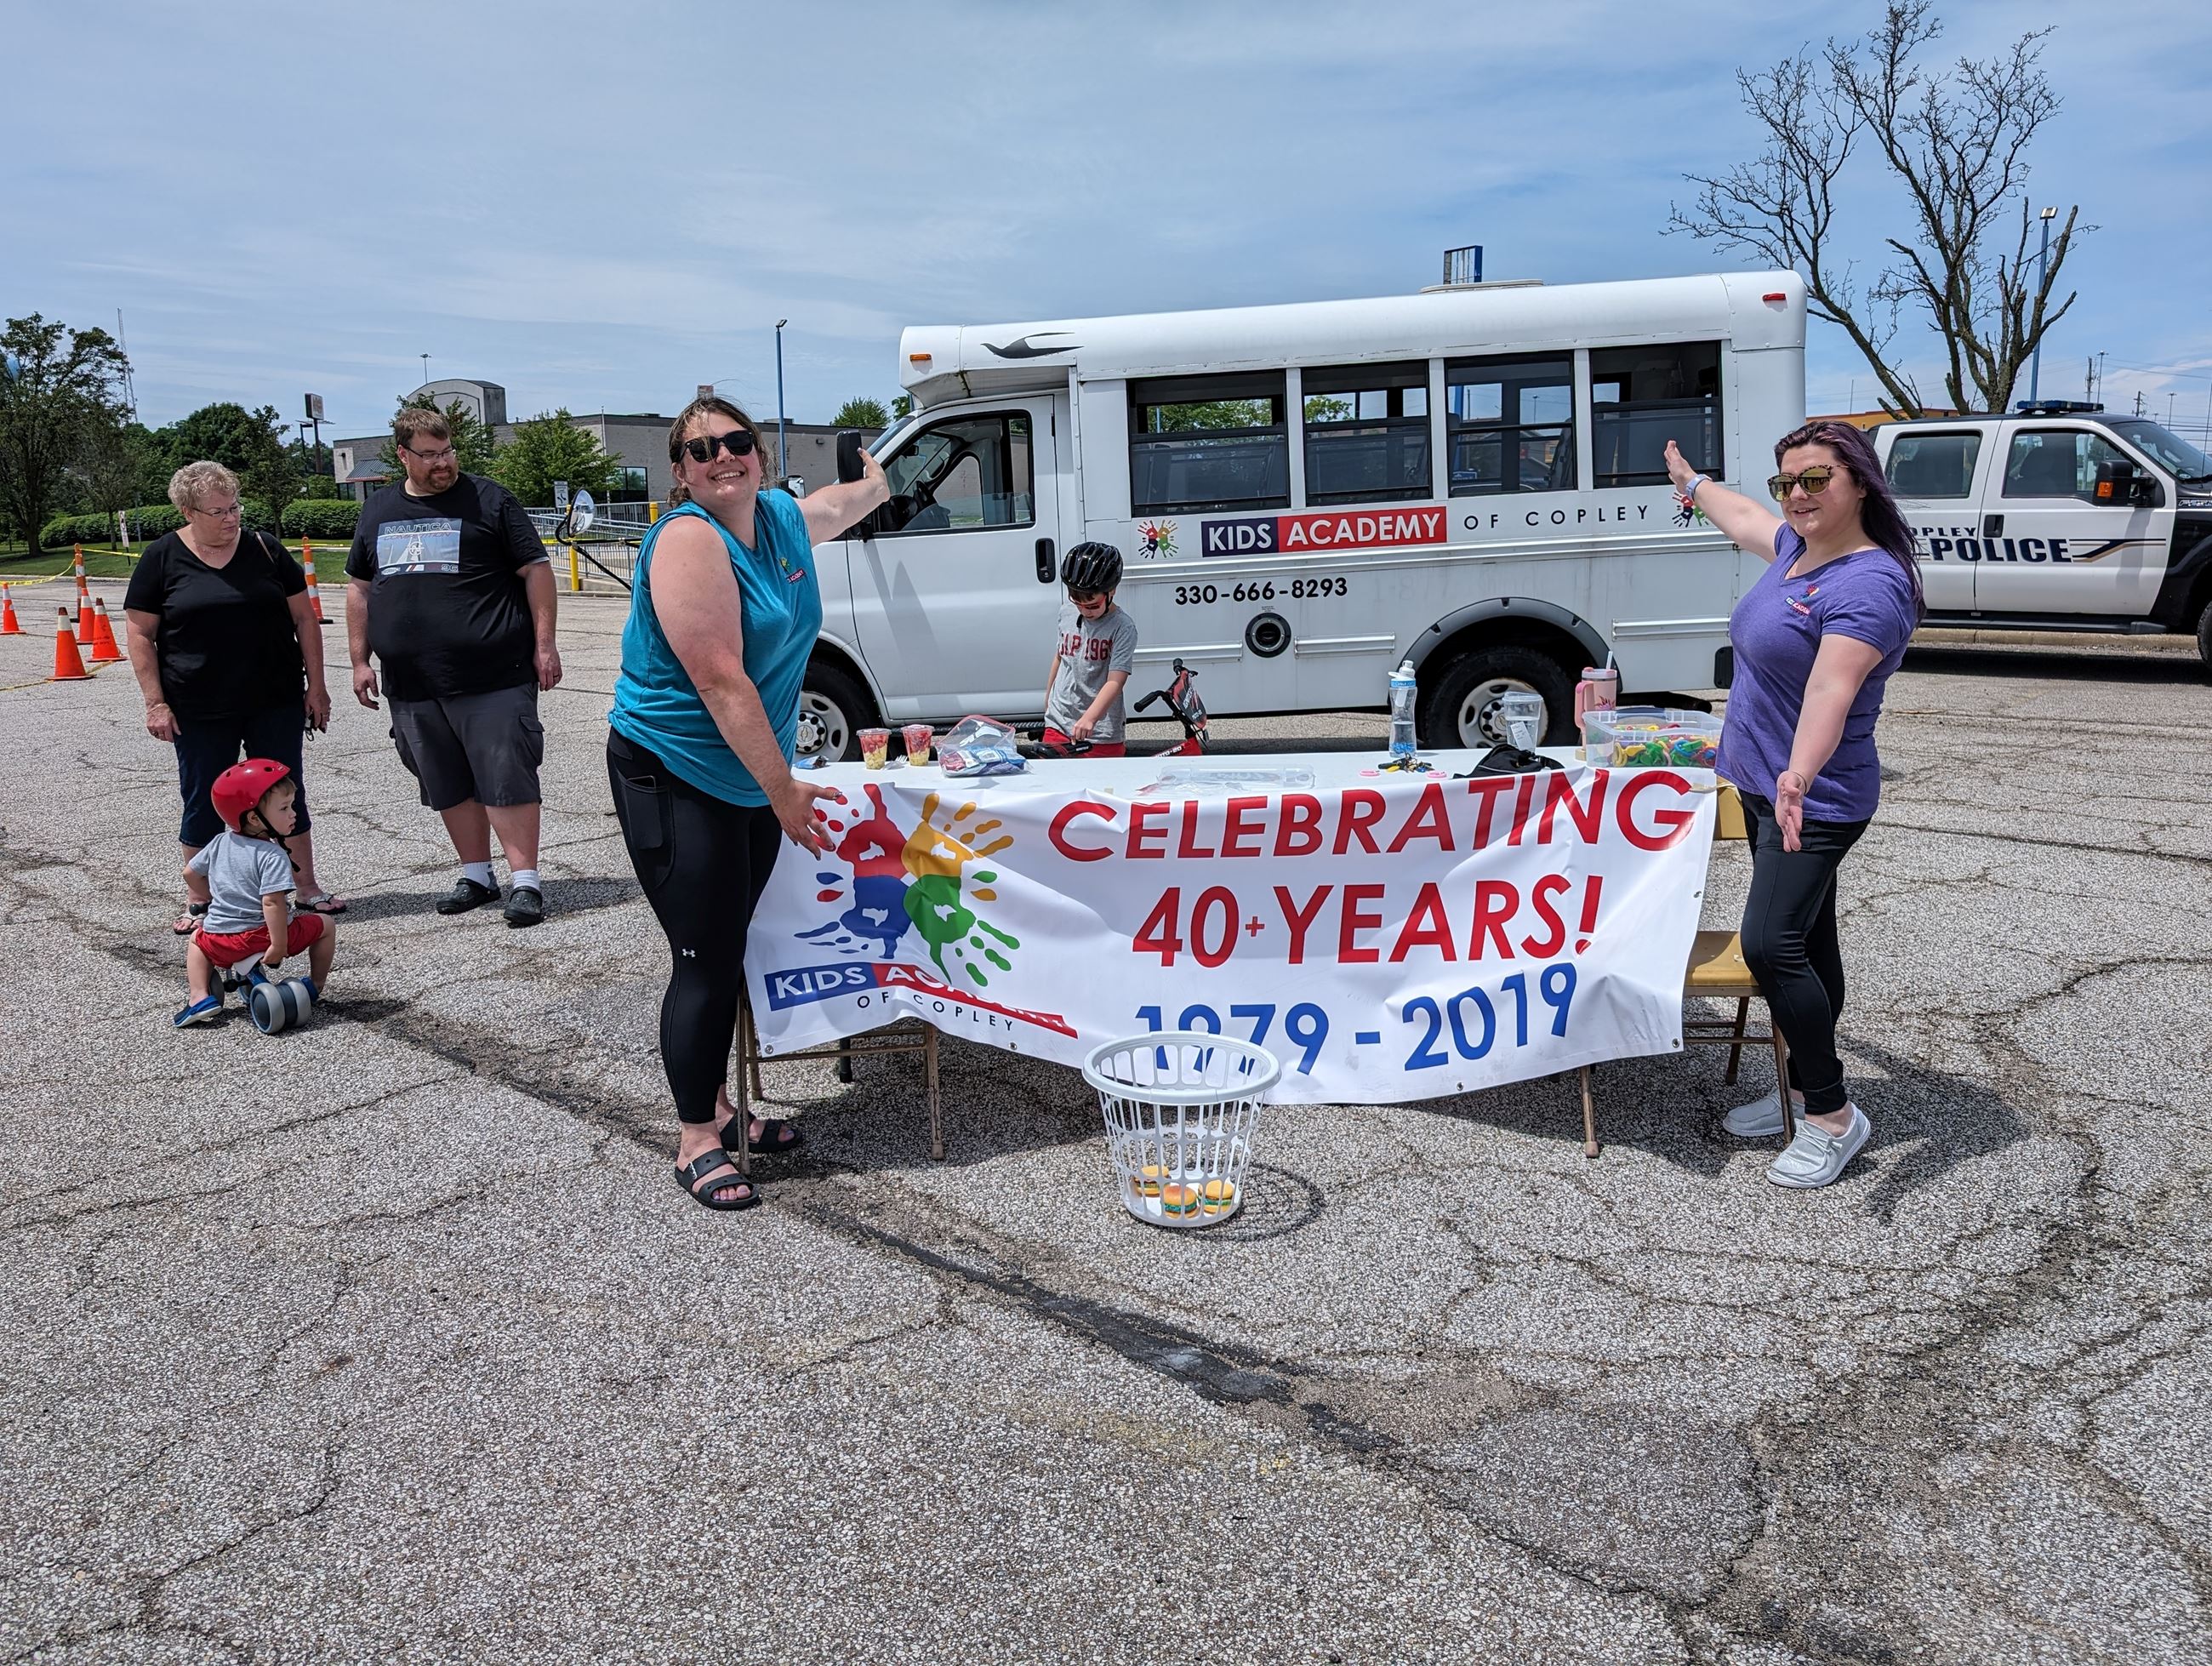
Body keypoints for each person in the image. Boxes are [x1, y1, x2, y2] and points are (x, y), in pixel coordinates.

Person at [607, 395, 889, 1210]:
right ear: (681, 472)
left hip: (744, 773)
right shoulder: (688, 542)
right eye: (702, 451)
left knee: (733, 944)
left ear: (759, 454)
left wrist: (873, 479)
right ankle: (697, 1135)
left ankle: (728, 1109)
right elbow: (720, 679)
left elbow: (834, 507)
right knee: (704, 957)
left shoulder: (776, 520)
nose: (721, 458)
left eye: (736, 443)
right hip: (674, 769)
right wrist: (784, 790)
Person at [1664, 422, 1922, 1190]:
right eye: (1789, 484)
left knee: (1773, 946)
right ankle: (1803, 1091)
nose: (1798, 496)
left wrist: (1797, 776)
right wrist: (1691, 482)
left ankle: (1834, 1116)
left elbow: (1829, 690)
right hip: (1768, 785)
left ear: (1861, 484)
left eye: (1816, 480)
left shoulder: (1870, 584)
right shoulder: (1798, 552)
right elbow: (1745, 518)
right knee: (1813, 944)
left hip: (1814, 799)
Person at [345, 407, 561, 927]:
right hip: (412, 682)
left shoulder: (490, 500)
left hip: (494, 671)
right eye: (430, 455)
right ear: (403, 454)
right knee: (445, 778)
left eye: (448, 451)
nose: (443, 463)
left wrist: (545, 644)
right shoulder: (378, 512)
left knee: (505, 773)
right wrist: (358, 659)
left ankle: (524, 880)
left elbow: (536, 571)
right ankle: (476, 875)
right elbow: (359, 587)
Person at [123, 460, 343, 934]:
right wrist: (154, 702)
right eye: (219, 510)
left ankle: (304, 887)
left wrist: (317, 687)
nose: (231, 518)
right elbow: (140, 634)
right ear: (187, 510)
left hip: (274, 698)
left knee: (284, 794)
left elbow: (306, 620)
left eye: (235, 506)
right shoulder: (162, 558)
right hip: (198, 706)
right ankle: (200, 897)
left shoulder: (266, 550)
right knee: (202, 797)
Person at [173, 761, 336, 1027]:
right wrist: (279, 945)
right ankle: (315, 985)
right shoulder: (272, 855)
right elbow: (272, 903)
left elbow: (190, 873)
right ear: (253, 818)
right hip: (262, 937)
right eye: (284, 808)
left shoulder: (219, 842)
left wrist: (212, 901)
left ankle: (199, 996)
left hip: (221, 940)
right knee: (326, 925)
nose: (293, 813)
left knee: (196, 941)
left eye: (292, 805)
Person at [1040, 542, 1138, 756]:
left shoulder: (1122, 626)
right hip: (1058, 722)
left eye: (1092, 605)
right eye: (1077, 603)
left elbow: (1116, 680)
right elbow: (1060, 657)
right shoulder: (1066, 613)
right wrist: (1048, 698)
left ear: (1111, 591)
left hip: (1100, 732)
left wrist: (1090, 718)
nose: (1085, 611)